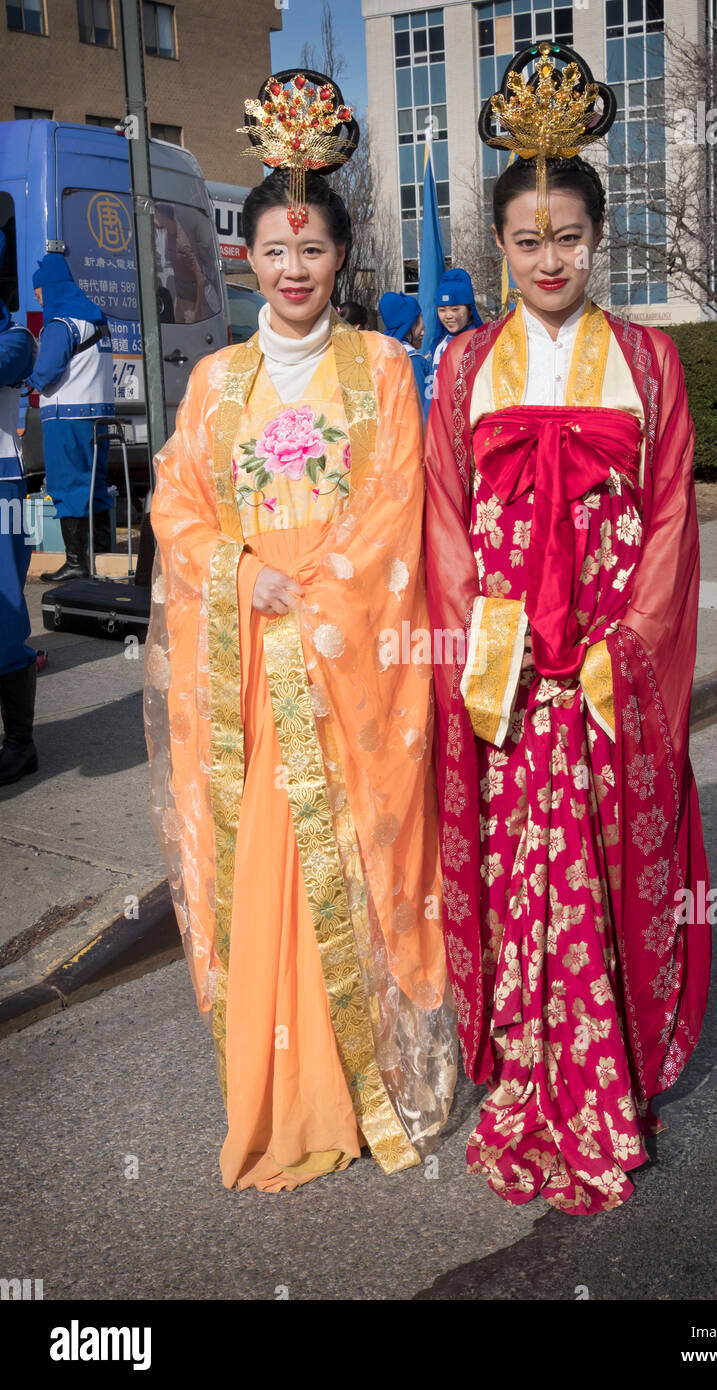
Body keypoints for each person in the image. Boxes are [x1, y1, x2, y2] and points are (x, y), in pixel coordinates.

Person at [142, 69, 456, 1194]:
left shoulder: (379, 371)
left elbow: (393, 518)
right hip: (246, 676)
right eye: (274, 251)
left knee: (363, 868)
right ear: (247, 256)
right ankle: (283, 1098)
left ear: (339, 261)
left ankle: (369, 1089)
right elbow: (176, 502)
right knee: (263, 877)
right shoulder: (216, 384)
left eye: (312, 252)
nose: (291, 270)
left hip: (343, 671)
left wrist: (315, 600)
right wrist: (236, 573)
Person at [424, 42, 711, 1216]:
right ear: (500, 245)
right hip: (506, 688)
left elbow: (671, 524)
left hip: (599, 678)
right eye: (528, 240)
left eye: (571, 239)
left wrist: (619, 653)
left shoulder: (648, 361)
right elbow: (442, 532)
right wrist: (487, 666)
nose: (551, 259)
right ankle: (527, 1080)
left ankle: (600, 1091)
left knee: (590, 885)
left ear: (599, 239)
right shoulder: (461, 366)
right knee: (513, 890)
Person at [27, 254, 115, 582]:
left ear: (51, 289)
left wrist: (29, 382)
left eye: (40, 294)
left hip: (68, 415)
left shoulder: (61, 323)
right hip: (100, 414)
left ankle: (77, 561)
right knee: (96, 483)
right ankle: (104, 554)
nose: (39, 299)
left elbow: (48, 369)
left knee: (68, 485)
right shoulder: (95, 319)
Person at [0, 228, 39, 786]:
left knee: (4, 609)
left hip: (3, 487)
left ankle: (21, 742)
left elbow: (18, 358)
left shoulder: (15, 336)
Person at [378, 291, 431, 419]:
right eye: (419, 321)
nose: (423, 329)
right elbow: (424, 410)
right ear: (409, 327)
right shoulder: (413, 361)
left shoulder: (380, 355)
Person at [430, 268, 482, 378]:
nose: (448, 316)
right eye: (442, 310)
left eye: (455, 309)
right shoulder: (441, 346)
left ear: (470, 310)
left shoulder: (481, 342)